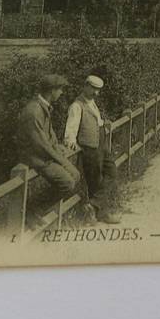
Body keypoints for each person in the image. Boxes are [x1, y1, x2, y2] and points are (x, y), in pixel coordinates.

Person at [17, 74, 82, 210]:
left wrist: (57, 147)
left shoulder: (43, 106)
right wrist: (61, 160)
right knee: (68, 183)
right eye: (59, 89)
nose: (61, 93)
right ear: (51, 91)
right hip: (35, 157)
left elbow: (49, 136)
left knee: (76, 175)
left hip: (44, 154)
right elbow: (41, 145)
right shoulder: (34, 111)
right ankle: (33, 210)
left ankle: (42, 211)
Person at [64, 75, 120, 224]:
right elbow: (70, 130)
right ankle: (100, 214)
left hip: (101, 146)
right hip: (89, 148)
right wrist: (71, 142)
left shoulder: (92, 103)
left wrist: (103, 123)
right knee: (95, 181)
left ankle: (93, 205)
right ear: (86, 86)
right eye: (93, 89)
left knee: (112, 172)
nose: (96, 93)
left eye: (98, 90)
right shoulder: (76, 106)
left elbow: (95, 121)